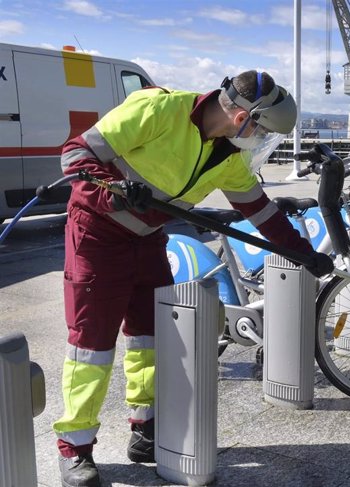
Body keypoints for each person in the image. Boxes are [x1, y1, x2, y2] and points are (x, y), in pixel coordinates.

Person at [54, 70, 333, 487]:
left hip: (148, 239)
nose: (260, 143)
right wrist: (114, 189)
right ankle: (75, 447)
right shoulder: (159, 109)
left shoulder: (228, 158)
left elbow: (260, 212)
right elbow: (75, 155)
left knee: (151, 336)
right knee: (91, 345)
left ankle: (145, 426)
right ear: (243, 119)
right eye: (263, 133)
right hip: (97, 234)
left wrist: (303, 253)